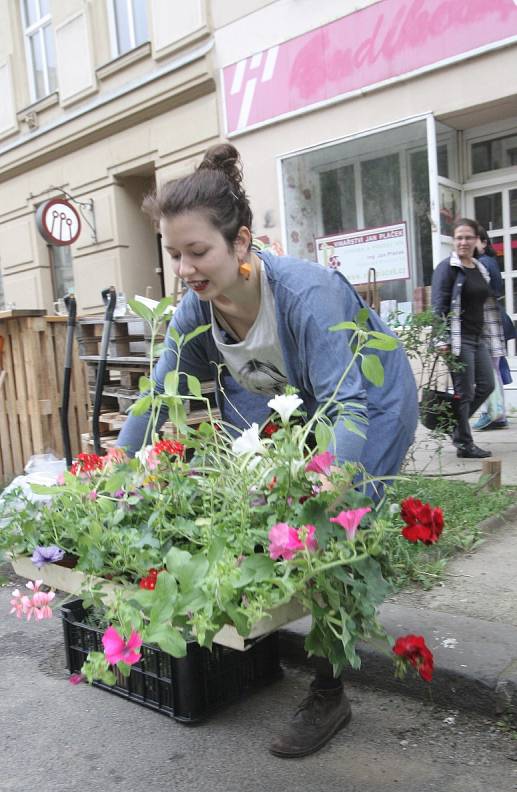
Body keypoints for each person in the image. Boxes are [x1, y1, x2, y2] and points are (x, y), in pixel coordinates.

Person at [117, 143, 419, 758]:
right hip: (288, 399)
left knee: (335, 525)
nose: (184, 268)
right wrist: (116, 471)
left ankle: (331, 690)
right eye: (174, 254)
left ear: (242, 242)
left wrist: (318, 489)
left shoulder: (306, 296)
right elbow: (159, 395)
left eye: (197, 251)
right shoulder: (193, 313)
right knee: (256, 500)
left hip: (370, 400)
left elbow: (347, 408)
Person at [431, 218, 505, 459]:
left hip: (478, 336)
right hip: (458, 338)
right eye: (459, 238)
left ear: (476, 240)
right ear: (453, 241)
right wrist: (441, 340)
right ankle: (464, 443)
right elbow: (439, 305)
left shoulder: (479, 268)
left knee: (487, 385)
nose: (463, 242)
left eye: (467, 237)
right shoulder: (447, 268)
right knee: (465, 392)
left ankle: (455, 426)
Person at [472, 225, 515, 431]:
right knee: (494, 369)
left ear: (483, 242)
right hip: (492, 323)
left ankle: (493, 413)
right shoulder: (489, 261)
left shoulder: (483, 263)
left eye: (474, 239)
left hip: (487, 324)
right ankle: (499, 415)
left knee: (489, 371)